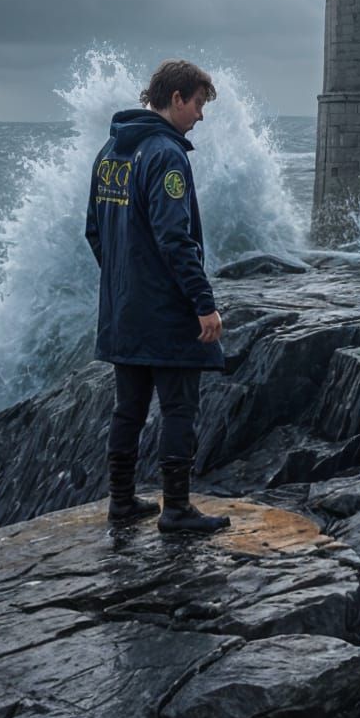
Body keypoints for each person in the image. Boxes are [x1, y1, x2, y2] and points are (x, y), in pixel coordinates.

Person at [85, 58, 230, 535]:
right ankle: (176, 508)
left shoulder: (110, 151)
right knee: (178, 408)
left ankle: (122, 502)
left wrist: (126, 281)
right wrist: (203, 304)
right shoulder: (167, 155)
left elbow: (94, 231)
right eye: (198, 105)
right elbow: (175, 239)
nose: (201, 117)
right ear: (176, 99)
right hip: (165, 313)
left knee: (127, 408)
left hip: (123, 310)